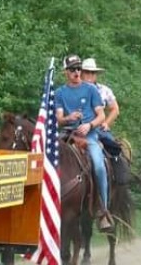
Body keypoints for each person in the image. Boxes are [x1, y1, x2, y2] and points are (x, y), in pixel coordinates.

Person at [54, 55, 113, 232]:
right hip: (66, 135)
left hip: (89, 136)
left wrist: (89, 125)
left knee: (99, 166)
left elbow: (101, 115)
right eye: (72, 69)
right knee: (48, 161)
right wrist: (67, 118)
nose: (77, 72)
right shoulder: (59, 93)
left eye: (79, 68)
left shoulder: (91, 90)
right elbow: (57, 119)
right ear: (66, 72)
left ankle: (103, 210)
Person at [80, 58, 129, 186]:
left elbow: (115, 109)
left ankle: (118, 176)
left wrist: (106, 123)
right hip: (77, 128)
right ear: (81, 73)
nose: (89, 75)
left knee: (113, 147)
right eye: (86, 72)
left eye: (92, 72)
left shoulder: (104, 90)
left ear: (96, 74)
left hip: (97, 129)